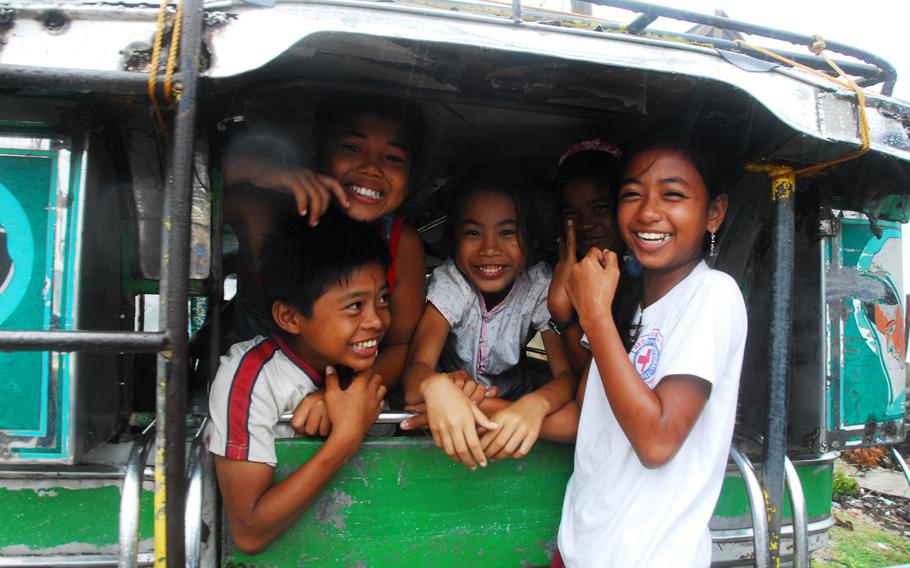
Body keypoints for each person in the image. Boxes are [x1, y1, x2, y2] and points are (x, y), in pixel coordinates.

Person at [554, 137, 747, 567]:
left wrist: (594, 315)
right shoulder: (628, 301)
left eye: (672, 195)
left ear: (714, 212)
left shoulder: (713, 294)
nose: (648, 213)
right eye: (632, 195)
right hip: (579, 546)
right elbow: (592, 413)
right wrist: (497, 413)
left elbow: (656, 442)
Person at [223, 92, 426, 436]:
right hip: (252, 398)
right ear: (318, 154)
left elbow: (400, 346)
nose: (371, 168)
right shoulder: (267, 210)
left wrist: (339, 394)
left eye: (393, 157)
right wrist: (264, 173)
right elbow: (181, 187)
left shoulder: (402, 244)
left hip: (351, 402)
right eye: (351, 148)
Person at [207, 214, 390, 555]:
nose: (377, 320)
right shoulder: (249, 380)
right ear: (290, 317)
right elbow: (248, 532)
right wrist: (345, 440)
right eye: (355, 306)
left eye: (382, 299)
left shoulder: (356, 370)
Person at [401, 172, 576, 469]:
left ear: (530, 240)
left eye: (507, 232)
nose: (489, 249)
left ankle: (498, 411)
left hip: (517, 403)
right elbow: (416, 372)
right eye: (473, 233)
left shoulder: (537, 283)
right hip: (451, 403)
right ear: (453, 241)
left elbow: (568, 376)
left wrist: (535, 405)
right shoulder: (453, 282)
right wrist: (434, 386)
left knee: (573, 423)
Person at [547, 140, 625, 376]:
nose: (586, 225)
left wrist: (562, 315)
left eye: (600, 208)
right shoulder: (564, 277)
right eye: (572, 214)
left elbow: (596, 383)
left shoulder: (644, 281)